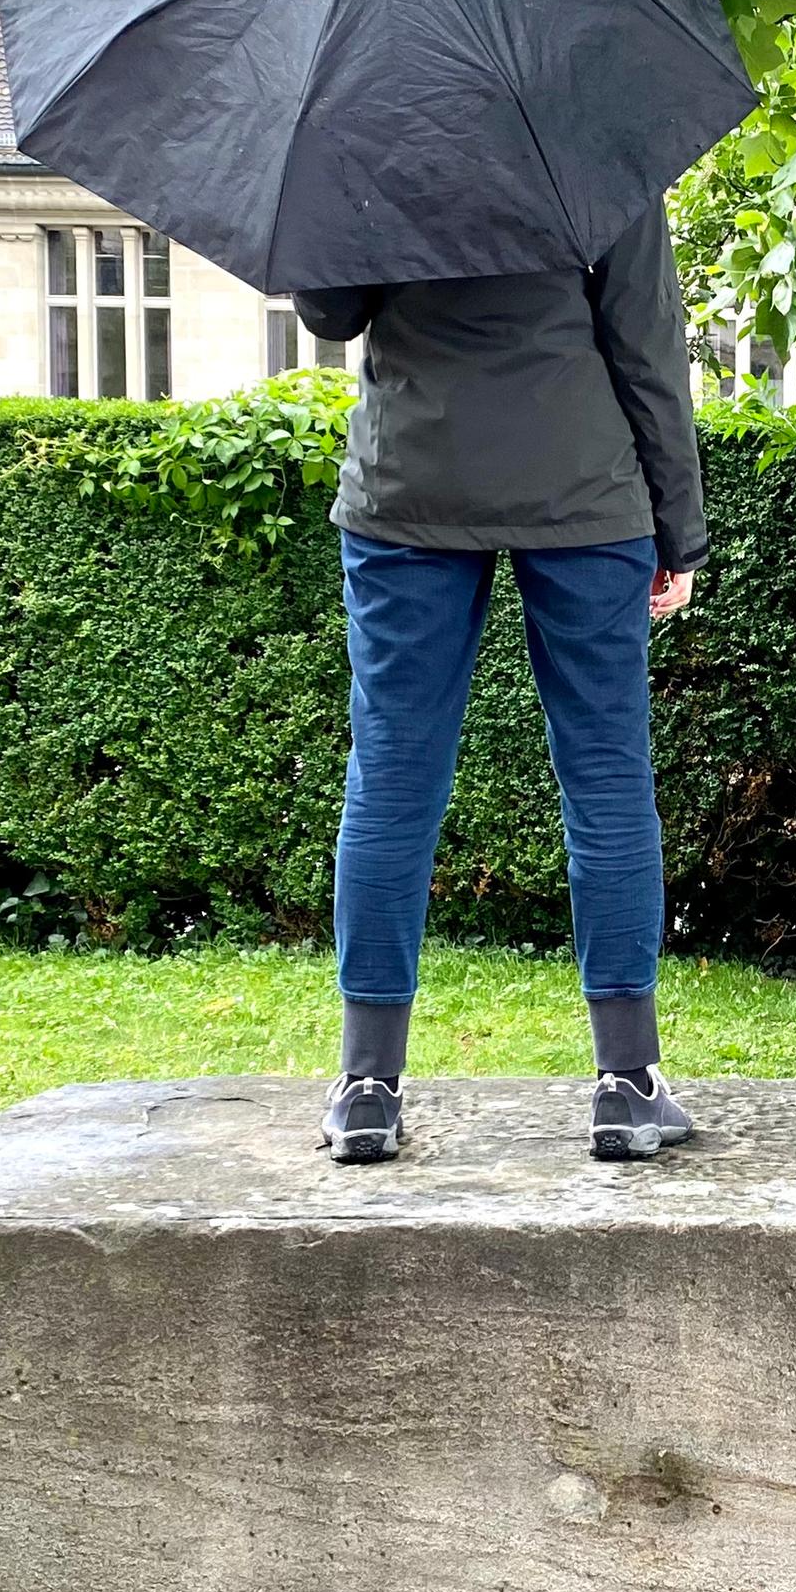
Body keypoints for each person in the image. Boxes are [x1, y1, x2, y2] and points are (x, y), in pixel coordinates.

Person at [293, 197, 704, 1166]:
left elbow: (330, 311)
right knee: (605, 777)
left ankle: (365, 1089)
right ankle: (626, 1086)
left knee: (391, 777)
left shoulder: (373, 132)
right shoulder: (597, 132)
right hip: (583, 490)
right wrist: (678, 525)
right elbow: (646, 341)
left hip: (410, 489)